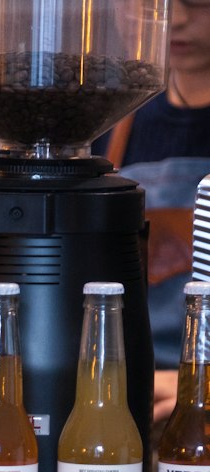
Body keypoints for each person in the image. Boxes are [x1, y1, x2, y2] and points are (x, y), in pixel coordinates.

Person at [97, 0, 210, 420]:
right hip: (122, 390)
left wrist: (200, 379)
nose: (176, 19)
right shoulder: (108, 119)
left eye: (198, 2)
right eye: (155, 2)